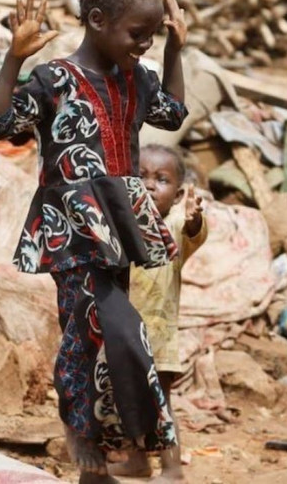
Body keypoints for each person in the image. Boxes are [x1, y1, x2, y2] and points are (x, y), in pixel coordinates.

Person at [0, 0, 189, 484]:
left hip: (120, 227)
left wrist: (175, 49)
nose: (143, 44)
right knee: (112, 329)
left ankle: (99, 456)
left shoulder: (136, 78)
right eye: (137, 34)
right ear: (96, 19)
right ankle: (119, 449)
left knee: (90, 338)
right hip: (73, 227)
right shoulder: (54, 80)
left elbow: (171, 114)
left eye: (151, 34)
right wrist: (14, 58)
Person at [112, 145, 207, 481]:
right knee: (125, 399)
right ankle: (137, 461)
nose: (150, 185)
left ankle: (171, 469)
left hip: (158, 337)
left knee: (159, 403)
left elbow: (194, 231)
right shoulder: (121, 224)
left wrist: (195, 219)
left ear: (178, 193)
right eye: (141, 176)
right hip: (124, 335)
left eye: (162, 180)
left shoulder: (176, 227)